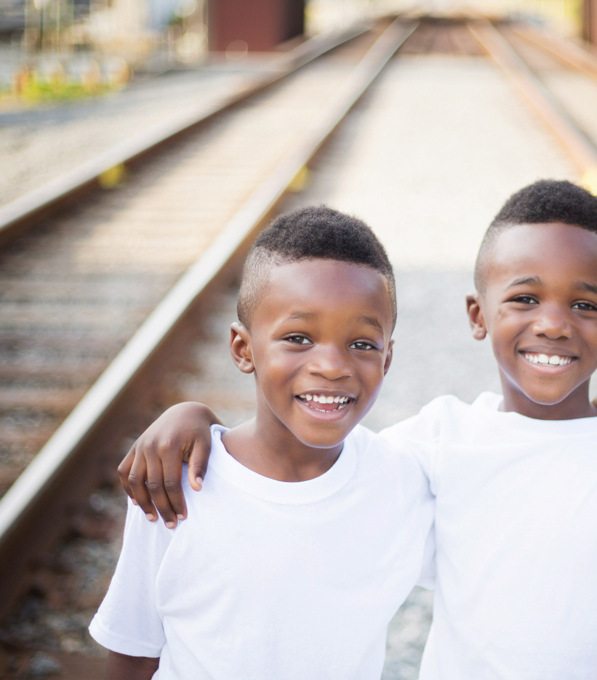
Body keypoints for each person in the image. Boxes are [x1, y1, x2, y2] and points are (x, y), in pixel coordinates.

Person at [122, 180, 597, 679]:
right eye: (525, 297)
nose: (555, 324)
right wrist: (192, 416)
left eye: (585, 306)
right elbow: (301, 462)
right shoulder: (437, 444)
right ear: (477, 315)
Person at [90, 207, 437, 679]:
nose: (332, 366)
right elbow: (133, 651)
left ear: (387, 357)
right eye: (298, 337)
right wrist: (192, 415)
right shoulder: (177, 482)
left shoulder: (403, 483)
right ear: (242, 349)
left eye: (362, 344)